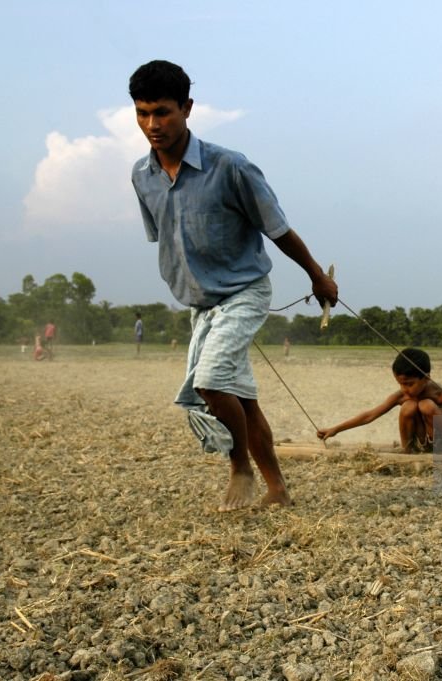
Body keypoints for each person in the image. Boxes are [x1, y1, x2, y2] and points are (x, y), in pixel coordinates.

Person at [129, 60, 338, 512]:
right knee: (241, 398)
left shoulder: (230, 167)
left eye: (162, 112)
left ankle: (239, 466)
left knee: (209, 382)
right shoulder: (141, 177)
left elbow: (277, 228)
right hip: (202, 306)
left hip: (244, 291)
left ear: (187, 108)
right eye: (143, 112)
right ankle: (278, 490)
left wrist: (316, 275)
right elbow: (165, 238)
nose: (152, 124)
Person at [317, 348, 442, 453]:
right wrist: (336, 429)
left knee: (426, 405)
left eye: (410, 384)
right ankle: (408, 449)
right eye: (401, 384)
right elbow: (370, 415)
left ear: (426, 378)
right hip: (420, 441)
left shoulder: (438, 393)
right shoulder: (402, 396)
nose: (405, 389)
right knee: (408, 407)